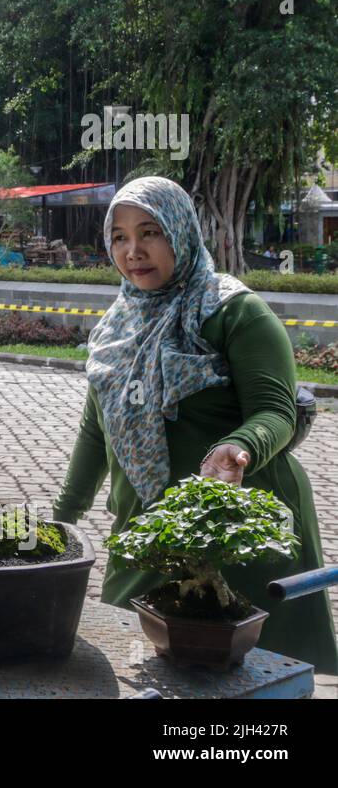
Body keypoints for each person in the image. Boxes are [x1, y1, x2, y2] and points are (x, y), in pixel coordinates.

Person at [52, 176, 337, 673]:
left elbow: (277, 412)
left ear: (181, 231)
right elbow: (95, 432)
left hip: (246, 524)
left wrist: (239, 448)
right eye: (119, 236)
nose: (133, 250)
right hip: (148, 529)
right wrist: (62, 519)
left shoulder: (235, 312)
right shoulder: (116, 327)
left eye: (150, 232)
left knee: (264, 674)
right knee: (132, 659)